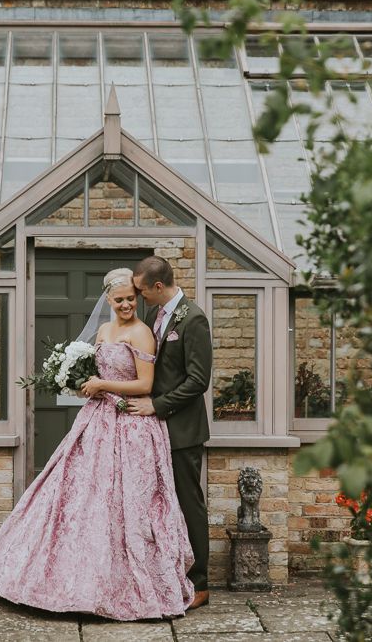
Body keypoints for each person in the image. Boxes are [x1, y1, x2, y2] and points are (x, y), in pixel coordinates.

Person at [0, 267, 195, 620]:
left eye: (131, 297)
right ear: (108, 300)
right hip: (97, 422)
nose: (127, 304)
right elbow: (97, 370)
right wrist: (83, 381)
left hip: (131, 425)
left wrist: (102, 385)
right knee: (78, 497)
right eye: (120, 299)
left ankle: (124, 584)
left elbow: (145, 385)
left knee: (126, 502)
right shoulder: (103, 329)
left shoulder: (143, 333)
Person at [129, 256, 213, 611]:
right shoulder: (153, 316)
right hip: (153, 430)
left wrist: (157, 405)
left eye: (141, 289)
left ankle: (201, 583)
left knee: (188, 503)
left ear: (158, 287)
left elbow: (198, 380)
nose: (137, 296)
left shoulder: (193, 319)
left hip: (182, 430)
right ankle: (166, 575)